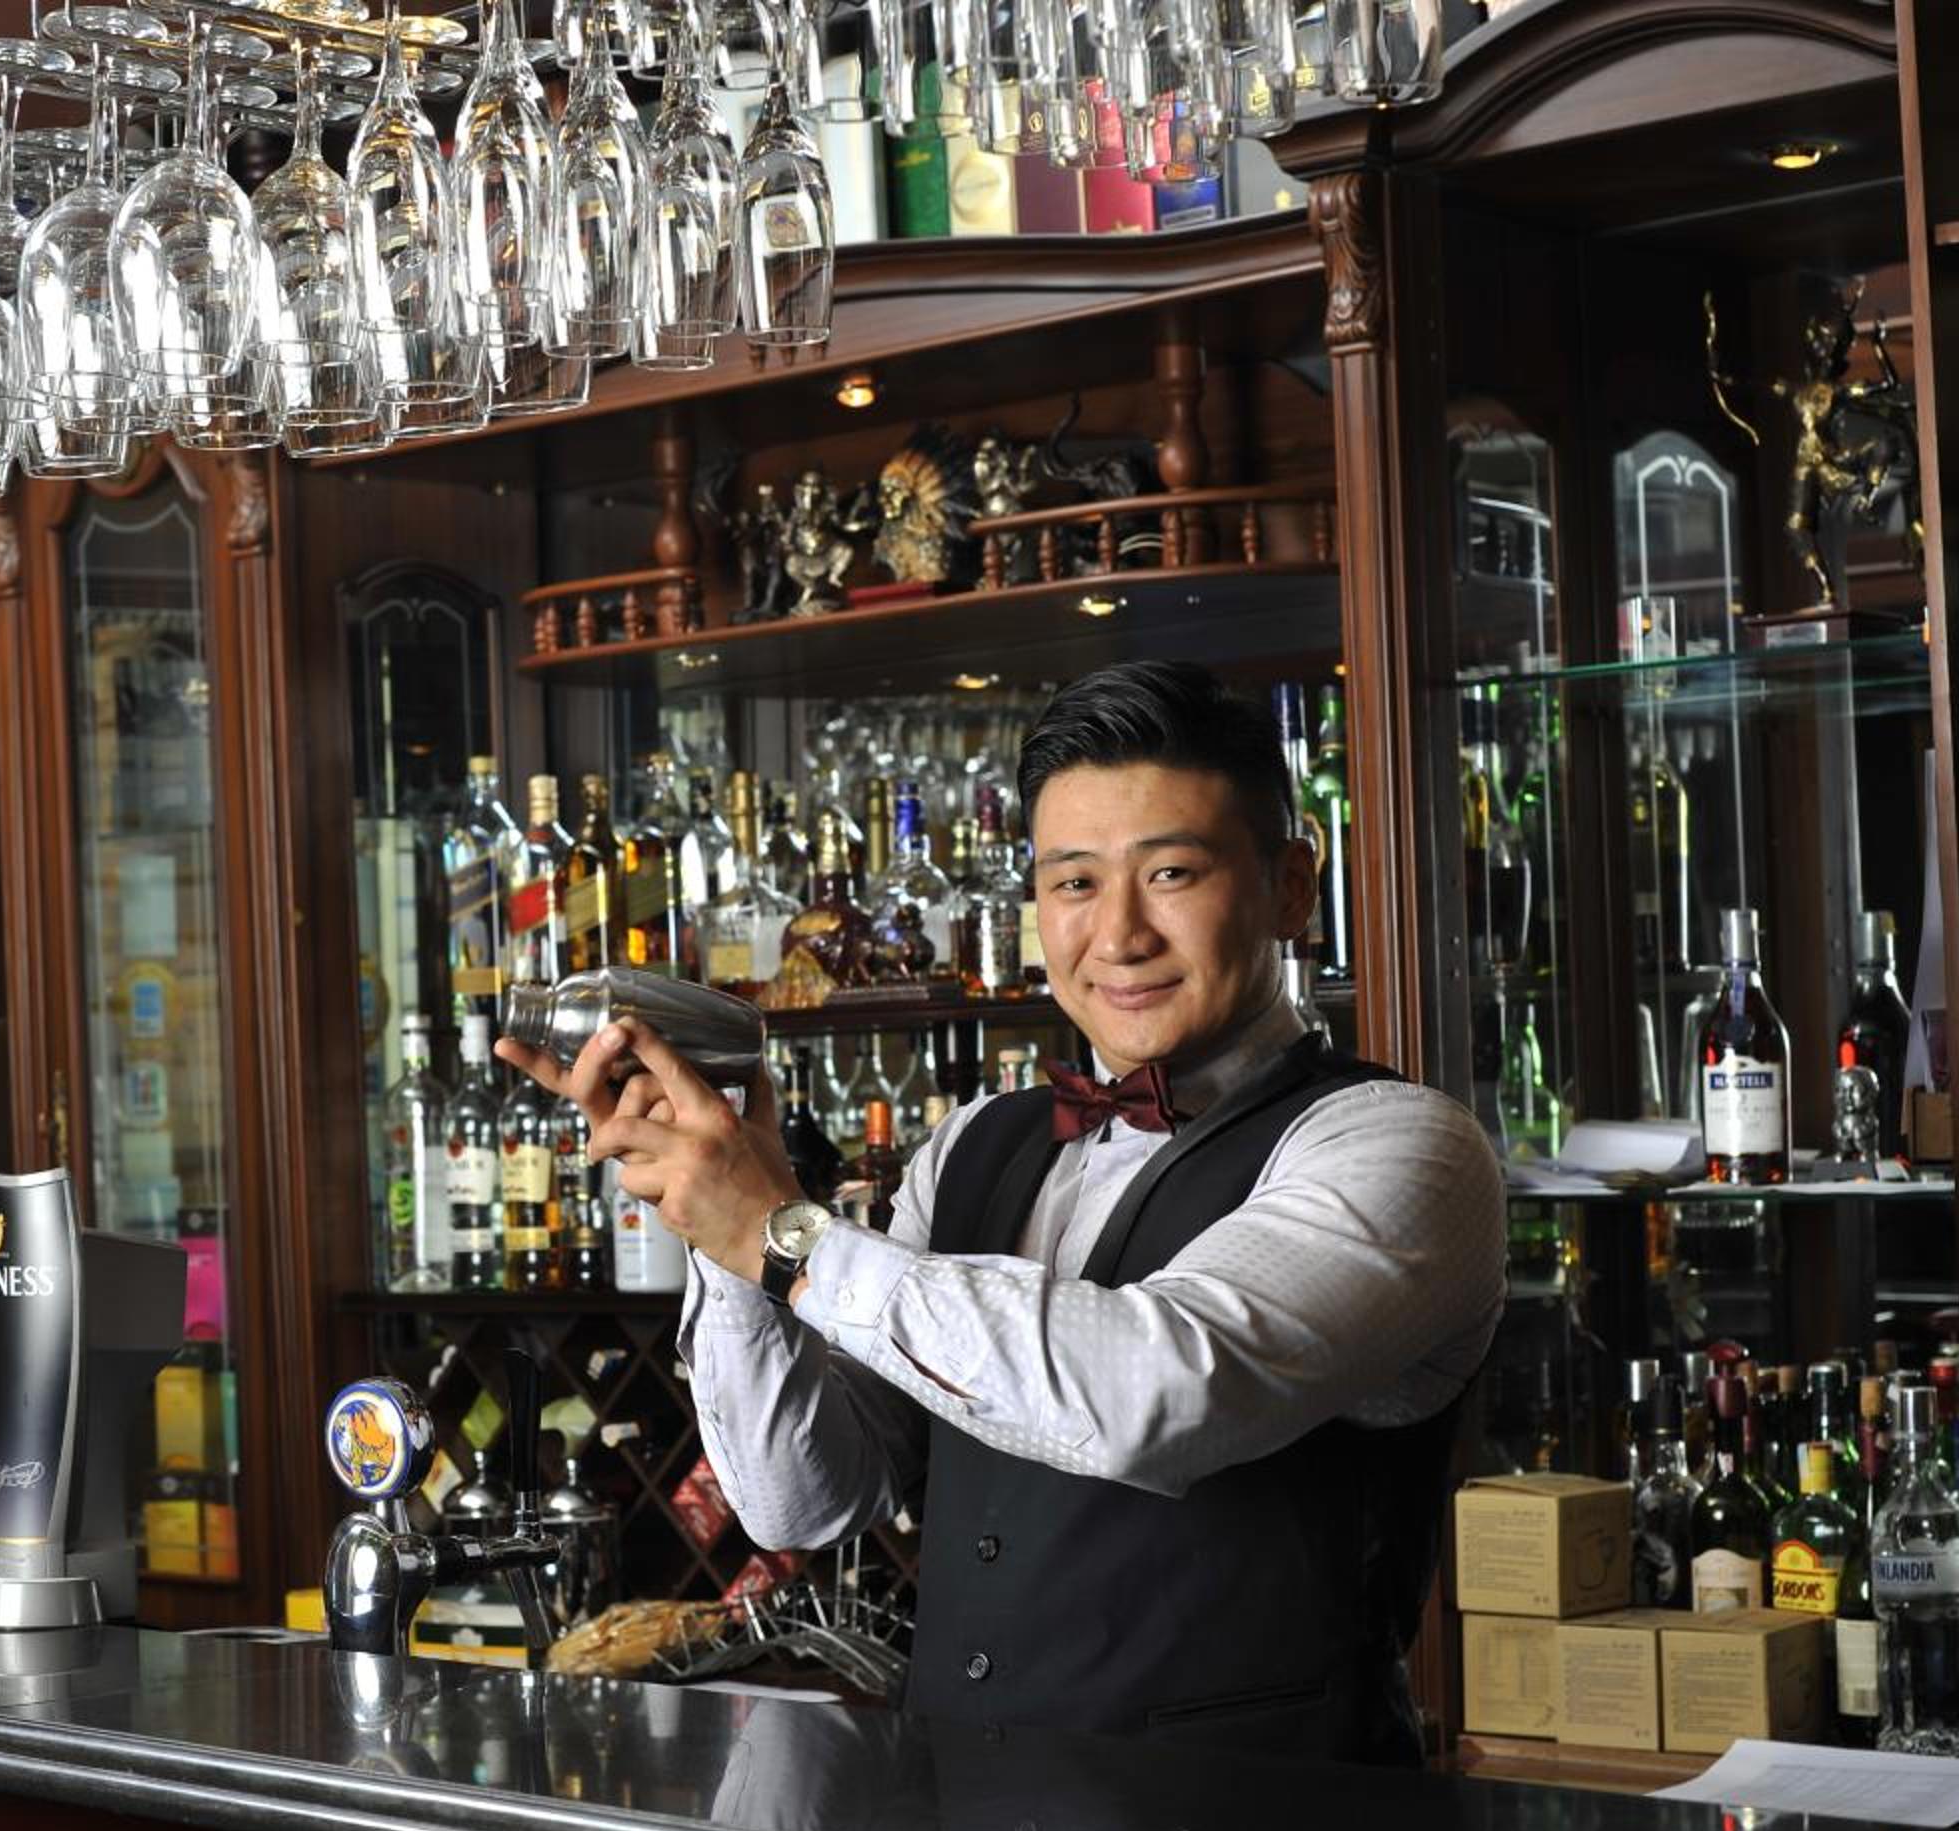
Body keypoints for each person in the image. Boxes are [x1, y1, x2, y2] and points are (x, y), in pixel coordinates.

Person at [495, 661, 1504, 1764]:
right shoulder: (979, 1143)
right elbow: (802, 1502)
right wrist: (720, 1222)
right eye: (1073, 883)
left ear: (1293, 889)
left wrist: (784, 1236)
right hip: (962, 1821)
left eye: (1171, 873)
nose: (1118, 935)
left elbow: (1157, 1394)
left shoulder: (1399, 1146)